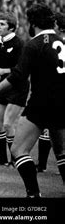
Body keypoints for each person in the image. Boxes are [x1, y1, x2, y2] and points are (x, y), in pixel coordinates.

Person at [0, 3, 65, 197]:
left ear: (33, 23)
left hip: (41, 104)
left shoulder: (33, 44)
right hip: (62, 103)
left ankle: (33, 194)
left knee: (19, 150)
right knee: (61, 153)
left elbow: (18, 76)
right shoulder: (62, 42)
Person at [0, 12, 29, 166]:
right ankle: (2, 160)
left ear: (11, 27)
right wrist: (0, 78)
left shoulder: (20, 44)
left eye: (2, 24)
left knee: (7, 124)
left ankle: (15, 161)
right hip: (4, 85)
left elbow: (22, 69)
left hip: (18, 86)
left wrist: (4, 71)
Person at [36, 11, 65, 173]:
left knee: (51, 132)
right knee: (50, 131)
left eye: (53, 24)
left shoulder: (54, 44)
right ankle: (42, 164)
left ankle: (42, 165)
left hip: (55, 94)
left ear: (58, 27)